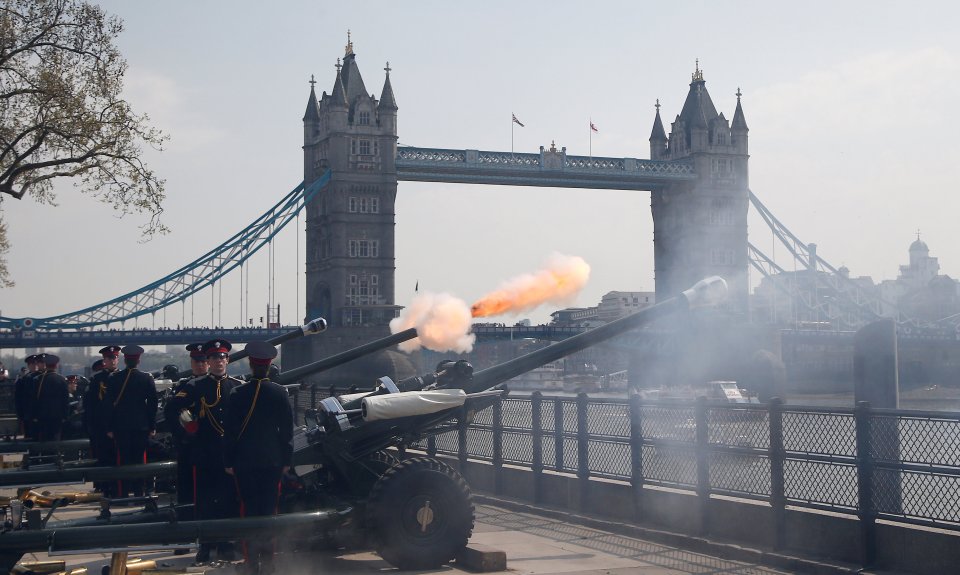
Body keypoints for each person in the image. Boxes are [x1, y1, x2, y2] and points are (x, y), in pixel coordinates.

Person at [166, 339, 240, 564]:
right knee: (206, 501)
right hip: (204, 452)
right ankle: (206, 545)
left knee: (228, 500)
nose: (219, 361)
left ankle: (225, 543)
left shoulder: (236, 386)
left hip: (228, 454)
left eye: (222, 357)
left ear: (227, 360)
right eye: (214, 358)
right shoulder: (195, 387)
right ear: (208, 361)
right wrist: (187, 430)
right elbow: (173, 409)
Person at [224, 341, 292, 575]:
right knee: (269, 511)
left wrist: (229, 461)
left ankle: (251, 562)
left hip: (244, 463)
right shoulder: (279, 393)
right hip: (272, 462)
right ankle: (269, 561)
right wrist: (286, 461)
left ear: (251, 365)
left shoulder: (237, 393)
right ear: (270, 364)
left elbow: (230, 431)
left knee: (247, 510)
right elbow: (287, 432)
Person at [104, 345, 158, 498]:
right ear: (138, 360)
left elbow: (108, 405)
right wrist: (152, 426)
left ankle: (122, 494)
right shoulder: (146, 378)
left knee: (123, 460)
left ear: (124, 360)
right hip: (141, 426)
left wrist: (109, 427)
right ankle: (139, 493)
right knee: (140, 460)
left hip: (120, 426)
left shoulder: (114, 378)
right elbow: (152, 405)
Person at [163, 343, 207, 509]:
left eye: (203, 361)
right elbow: (171, 412)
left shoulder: (214, 385)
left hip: (208, 441)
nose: (200, 365)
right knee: (187, 482)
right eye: (197, 362)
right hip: (188, 442)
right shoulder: (184, 386)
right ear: (191, 363)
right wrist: (181, 434)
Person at [83, 348, 120, 494]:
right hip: (101, 425)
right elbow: (90, 405)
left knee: (118, 458)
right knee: (103, 457)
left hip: (119, 424)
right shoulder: (97, 379)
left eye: (114, 358)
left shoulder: (123, 377)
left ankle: (118, 486)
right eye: (109, 358)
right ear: (104, 360)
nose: (112, 360)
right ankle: (104, 486)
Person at [28, 354, 70, 441]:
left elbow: (33, 400)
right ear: (56, 366)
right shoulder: (62, 380)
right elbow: (65, 400)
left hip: (42, 417)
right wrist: (65, 416)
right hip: (57, 417)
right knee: (55, 440)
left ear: (45, 365)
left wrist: (34, 416)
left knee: (43, 441)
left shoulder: (38, 379)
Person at [14, 354, 41, 438]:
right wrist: (21, 415)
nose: (35, 365)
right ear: (29, 365)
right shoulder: (23, 380)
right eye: (33, 364)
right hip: (28, 414)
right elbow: (18, 399)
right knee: (30, 438)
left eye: (37, 363)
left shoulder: (43, 378)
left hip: (41, 413)